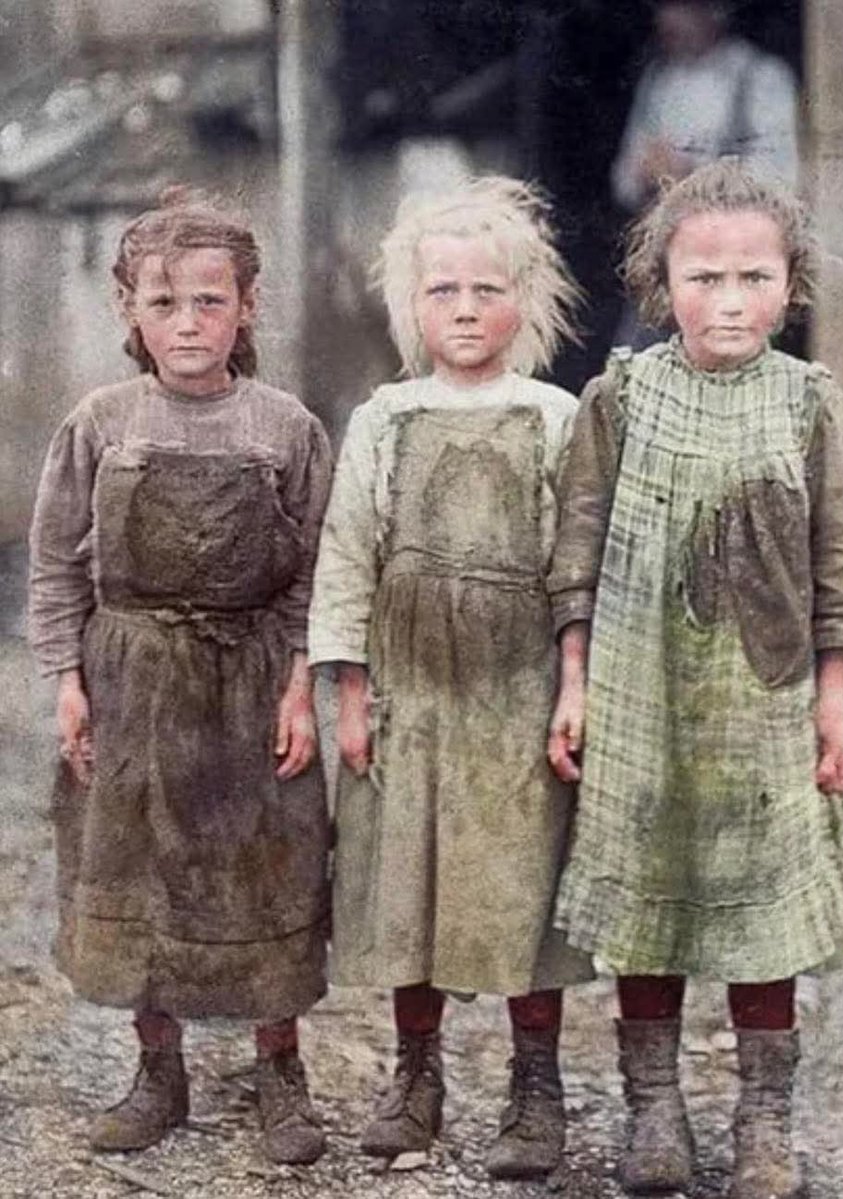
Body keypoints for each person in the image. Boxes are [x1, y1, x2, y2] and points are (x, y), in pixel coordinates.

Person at [547, 161, 843, 1198]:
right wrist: (575, 679)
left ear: (790, 286)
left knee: (759, 905)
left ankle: (762, 1122)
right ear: (661, 285)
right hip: (640, 691)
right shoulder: (620, 396)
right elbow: (575, 548)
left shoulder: (810, 403)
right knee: (645, 894)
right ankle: (654, 1110)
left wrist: (831, 700)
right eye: (702, 278)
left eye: (752, 277)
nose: (728, 300)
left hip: (762, 701)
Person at [28, 190, 333, 1166]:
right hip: (133, 678)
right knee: (139, 868)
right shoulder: (100, 421)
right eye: (163, 303)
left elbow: (316, 573)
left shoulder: (286, 427)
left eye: (210, 301)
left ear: (247, 307)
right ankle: (158, 1071)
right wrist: (67, 679)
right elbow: (56, 563)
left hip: (250, 680)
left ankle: (279, 1069)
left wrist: (300, 686)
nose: (188, 323)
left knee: (266, 867)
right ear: (130, 309)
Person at [308, 176, 594, 1180]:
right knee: (408, 883)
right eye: (443, 291)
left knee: (520, 885)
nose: (465, 309)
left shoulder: (556, 417)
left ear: (527, 299)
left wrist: (572, 682)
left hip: (516, 697)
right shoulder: (383, 418)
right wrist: (349, 693)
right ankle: (415, 1076)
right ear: (410, 304)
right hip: (410, 696)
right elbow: (347, 555)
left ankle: (535, 1085)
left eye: (486, 289)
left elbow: (576, 566)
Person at [611, 0, 799, 348]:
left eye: (682, 8)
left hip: (737, 261)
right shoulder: (659, 80)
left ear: (716, 11)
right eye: (663, 8)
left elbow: (783, 179)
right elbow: (622, 181)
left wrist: (693, 174)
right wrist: (644, 170)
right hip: (667, 261)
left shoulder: (761, 77)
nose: (667, 19)